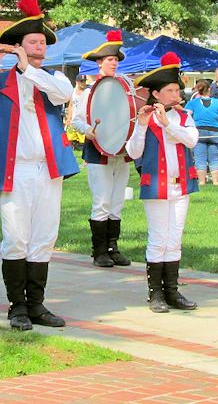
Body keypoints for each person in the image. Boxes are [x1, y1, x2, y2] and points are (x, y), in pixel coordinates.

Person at [0, 0, 79, 331]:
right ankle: (17, 307)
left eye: (43, 41)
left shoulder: (54, 79)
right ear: (18, 46)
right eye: (33, 41)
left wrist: (28, 68)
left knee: (44, 237)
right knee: (16, 238)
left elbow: (63, 96)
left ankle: (37, 304)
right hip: (16, 170)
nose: (40, 45)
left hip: (48, 169)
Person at [126, 52, 199, 313]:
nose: (175, 93)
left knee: (175, 238)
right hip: (156, 184)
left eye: (177, 89)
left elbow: (191, 140)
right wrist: (143, 126)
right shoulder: (144, 118)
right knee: (158, 238)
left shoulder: (183, 116)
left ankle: (172, 291)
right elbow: (134, 152)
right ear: (156, 94)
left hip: (181, 185)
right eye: (169, 90)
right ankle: (155, 294)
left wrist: (168, 123)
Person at [71, 30, 133, 267]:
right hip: (98, 151)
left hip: (121, 152)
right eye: (110, 60)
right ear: (99, 63)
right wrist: (89, 130)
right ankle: (99, 251)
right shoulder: (89, 92)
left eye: (116, 60)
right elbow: (75, 120)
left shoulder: (123, 85)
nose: (114, 63)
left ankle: (112, 247)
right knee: (102, 200)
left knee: (117, 200)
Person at [185, 80, 218, 186]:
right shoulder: (217, 102)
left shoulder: (193, 103)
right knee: (214, 158)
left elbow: (185, 116)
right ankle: (216, 182)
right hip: (215, 133)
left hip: (199, 133)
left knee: (200, 158)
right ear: (209, 89)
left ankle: (201, 182)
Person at [64, 74, 90, 151]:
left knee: (85, 139)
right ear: (77, 82)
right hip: (74, 120)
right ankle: (71, 152)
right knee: (70, 138)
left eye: (84, 81)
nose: (83, 83)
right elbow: (71, 105)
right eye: (81, 81)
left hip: (85, 120)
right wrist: (69, 118)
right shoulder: (73, 92)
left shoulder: (88, 91)